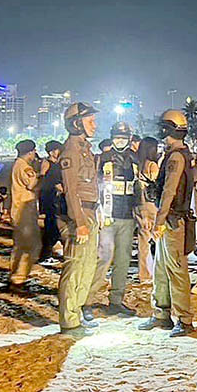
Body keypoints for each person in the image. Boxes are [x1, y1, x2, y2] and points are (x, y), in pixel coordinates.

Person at [139, 109, 195, 337]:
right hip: (172, 219)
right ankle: (161, 314)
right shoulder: (176, 154)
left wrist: (159, 221)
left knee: (176, 270)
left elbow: (170, 191)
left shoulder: (175, 157)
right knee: (161, 269)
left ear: (167, 130)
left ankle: (184, 319)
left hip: (173, 221)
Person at [84, 121, 139, 317]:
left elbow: (138, 188)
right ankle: (87, 301)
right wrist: (97, 210)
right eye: (117, 138)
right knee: (103, 258)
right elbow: (94, 185)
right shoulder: (103, 159)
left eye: (123, 138)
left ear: (129, 139)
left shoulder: (135, 159)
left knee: (123, 260)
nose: (120, 141)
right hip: (107, 215)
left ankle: (116, 300)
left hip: (127, 216)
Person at [57, 102, 102, 338]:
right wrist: (80, 222)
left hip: (90, 212)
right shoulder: (71, 151)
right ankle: (69, 321)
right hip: (79, 215)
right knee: (75, 267)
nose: (95, 125)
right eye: (90, 121)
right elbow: (71, 190)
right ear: (76, 124)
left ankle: (76, 314)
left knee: (87, 267)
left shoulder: (85, 149)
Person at [9, 139, 42, 292]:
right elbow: (31, 184)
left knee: (20, 245)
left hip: (19, 210)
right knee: (29, 246)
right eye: (34, 151)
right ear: (30, 152)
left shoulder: (17, 164)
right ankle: (18, 279)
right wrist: (41, 174)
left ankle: (16, 276)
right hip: (24, 211)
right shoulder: (24, 167)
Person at [134, 136, 161, 283]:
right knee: (156, 237)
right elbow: (157, 184)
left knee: (143, 240)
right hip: (150, 205)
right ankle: (150, 272)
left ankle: (144, 273)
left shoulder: (138, 164)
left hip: (138, 204)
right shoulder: (152, 165)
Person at [38, 140, 64, 263]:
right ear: (51, 151)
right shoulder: (46, 162)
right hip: (49, 197)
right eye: (58, 149)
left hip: (56, 197)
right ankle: (45, 255)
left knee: (55, 224)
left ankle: (50, 251)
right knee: (50, 224)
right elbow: (43, 178)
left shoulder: (57, 163)